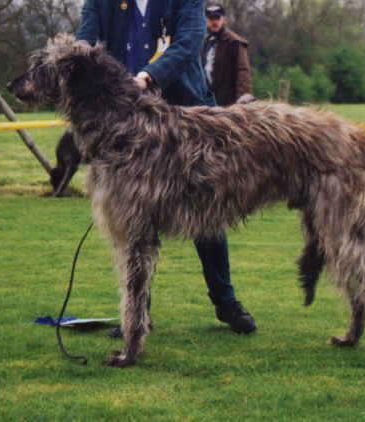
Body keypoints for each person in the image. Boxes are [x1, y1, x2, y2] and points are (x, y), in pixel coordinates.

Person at [74, 0, 257, 334]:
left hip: (188, 116)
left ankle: (225, 300)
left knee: (207, 212)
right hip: (128, 122)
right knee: (132, 221)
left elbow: (189, 41)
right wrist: (76, 63)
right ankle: (138, 314)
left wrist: (147, 76)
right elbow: (85, 40)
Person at [201, 4, 252, 106]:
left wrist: (243, 99)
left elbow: (243, 72)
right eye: (211, 19)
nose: (214, 22)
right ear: (206, 20)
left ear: (224, 20)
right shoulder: (204, 43)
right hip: (207, 102)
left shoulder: (235, 42)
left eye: (217, 18)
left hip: (229, 104)